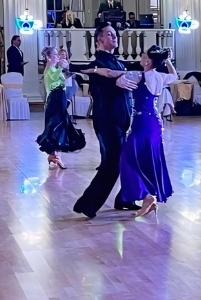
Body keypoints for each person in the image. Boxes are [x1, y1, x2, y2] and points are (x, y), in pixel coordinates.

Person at [73, 25, 141, 218]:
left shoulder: (118, 63)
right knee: (112, 163)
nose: (114, 37)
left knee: (126, 160)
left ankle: (125, 198)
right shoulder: (97, 65)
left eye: (115, 34)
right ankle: (87, 204)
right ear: (98, 41)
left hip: (122, 120)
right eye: (109, 34)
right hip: (107, 121)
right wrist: (113, 78)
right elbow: (90, 76)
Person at [118, 45, 179, 217]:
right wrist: (167, 60)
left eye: (143, 54)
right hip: (153, 122)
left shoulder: (142, 76)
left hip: (143, 122)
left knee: (128, 158)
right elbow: (174, 76)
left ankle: (147, 197)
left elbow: (118, 76)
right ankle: (149, 197)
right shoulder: (159, 76)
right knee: (147, 159)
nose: (141, 56)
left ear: (147, 60)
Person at [36, 47, 85, 169]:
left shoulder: (56, 69)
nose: (58, 56)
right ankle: (54, 155)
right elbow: (53, 77)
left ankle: (54, 155)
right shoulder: (50, 68)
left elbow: (63, 80)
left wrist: (68, 71)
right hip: (55, 100)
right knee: (55, 125)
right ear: (48, 57)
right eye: (55, 54)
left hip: (60, 99)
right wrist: (61, 68)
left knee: (60, 125)